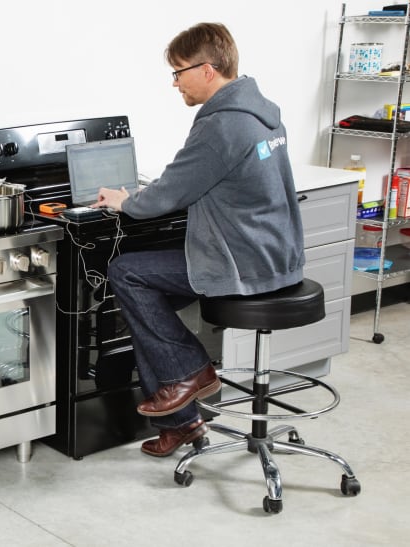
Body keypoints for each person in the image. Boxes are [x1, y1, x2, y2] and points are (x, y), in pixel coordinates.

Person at [93, 22, 305, 457]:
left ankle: (192, 372)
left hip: (241, 263)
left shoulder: (222, 125)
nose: (174, 83)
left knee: (126, 274)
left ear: (207, 70)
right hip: (275, 254)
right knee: (147, 316)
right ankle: (181, 421)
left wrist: (125, 200)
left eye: (178, 72)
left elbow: (170, 191)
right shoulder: (262, 110)